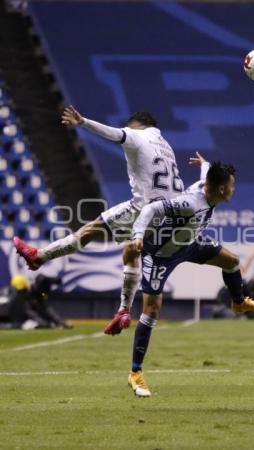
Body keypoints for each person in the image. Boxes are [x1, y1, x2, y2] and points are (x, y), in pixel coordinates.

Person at [13, 106, 184, 335]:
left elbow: (115, 134)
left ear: (137, 124)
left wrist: (82, 122)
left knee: (91, 229)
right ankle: (124, 311)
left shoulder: (136, 134)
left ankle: (39, 256)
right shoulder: (166, 146)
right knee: (131, 251)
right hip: (171, 213)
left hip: (144, 208)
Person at [126, 158, 254, 397]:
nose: (234, 189)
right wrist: (139, 234)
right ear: (222, 188)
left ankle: (239, 302)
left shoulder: (209, 186)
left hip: (190, 244)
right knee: (151, 310)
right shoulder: (190, 203)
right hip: (161, 254)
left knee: (232, 261)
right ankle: (135, 373)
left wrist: (205, 163)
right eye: (232, 185)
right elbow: (151, 209)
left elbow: (207, 175)